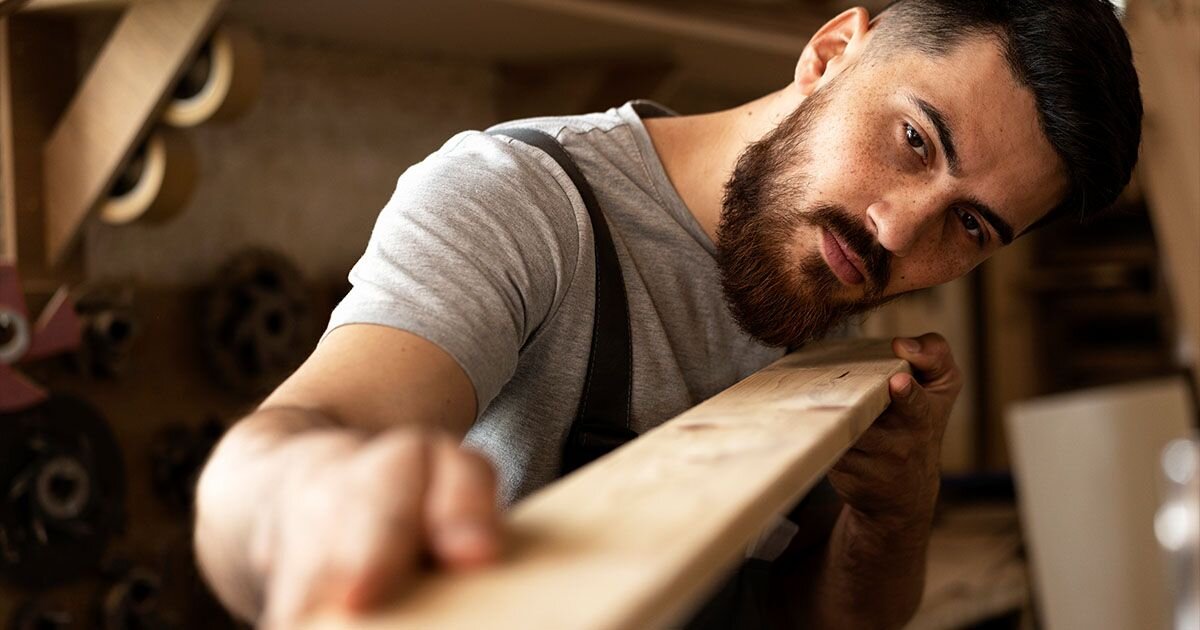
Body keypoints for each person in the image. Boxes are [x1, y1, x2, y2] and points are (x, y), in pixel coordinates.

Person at [194, 1, 1142, 628]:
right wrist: (305, 504)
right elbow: (294, 440)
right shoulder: (518, 202)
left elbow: (809, 617)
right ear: (831, 52)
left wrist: (892, 517)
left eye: (969, 225)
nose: (897, 232)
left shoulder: (827, 284)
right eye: (912, 140)